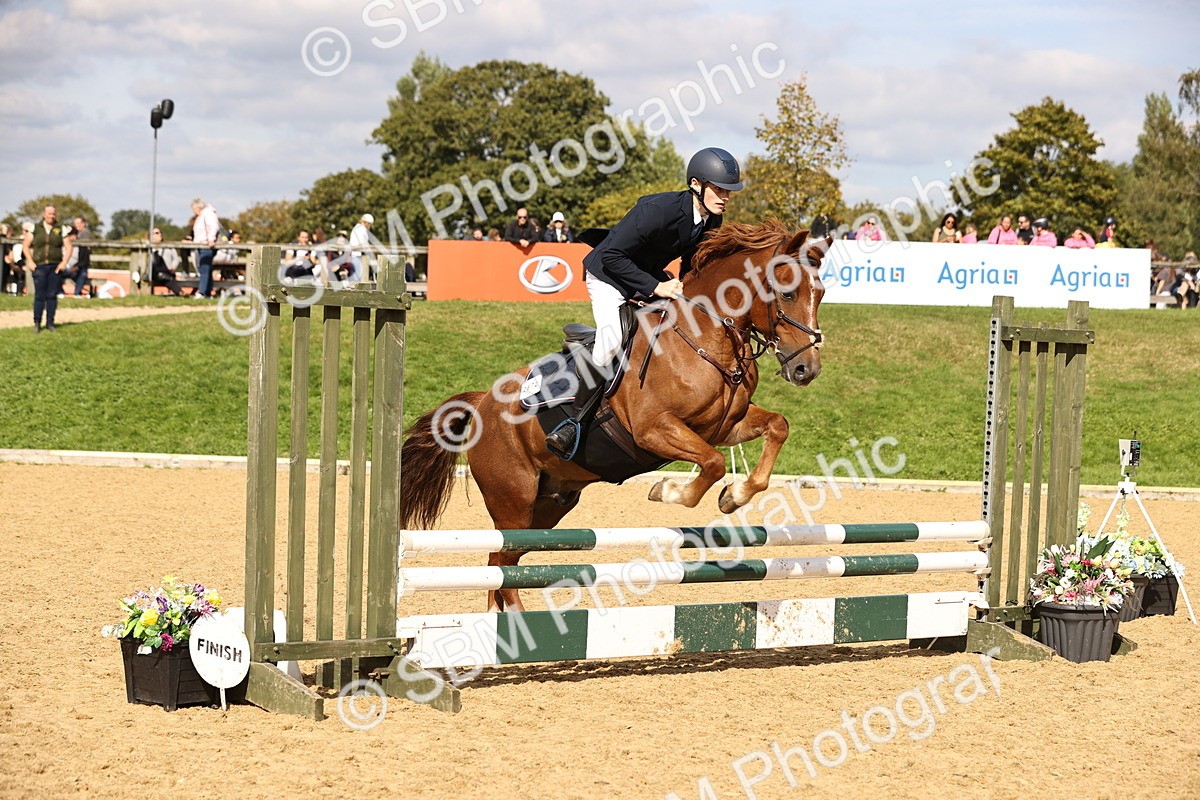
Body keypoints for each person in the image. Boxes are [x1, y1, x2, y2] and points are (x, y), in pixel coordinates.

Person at [544, 146, 743, 459]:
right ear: (696, 185)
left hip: (648, 276)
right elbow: (610, 256)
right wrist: (656, 287)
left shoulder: (710, 220)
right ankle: (572, 422)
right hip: (608, 275)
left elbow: (692, 265)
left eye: (729, 192)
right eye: (719, 189)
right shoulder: (657, 209)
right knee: (611, 342)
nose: (725, 197)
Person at [24, 204, 72, 332]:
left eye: (54, 214)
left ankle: (50, 322)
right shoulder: (35, 228)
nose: (52, 216)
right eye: (49, 214)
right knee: (39, 295)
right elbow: (26, 246)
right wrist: (30, 261)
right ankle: (37, 322)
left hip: (55, 266)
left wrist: (64, 262)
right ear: (44, 214)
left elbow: (69, 247)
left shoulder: (61, 229)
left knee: (52, 295)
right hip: (39, 266)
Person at [190, 197, 220, 298]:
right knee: (206, 268)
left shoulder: (208, 213)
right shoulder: (204, 214)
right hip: (201, 244)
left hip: (206, 245)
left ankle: (201, 291)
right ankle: (208, 291)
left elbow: (213, 226)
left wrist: (211, 239)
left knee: (204, 268)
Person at [62, 216, 92, 296]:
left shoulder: (84, 233)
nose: (77, 225)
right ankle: (61, 293)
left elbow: (86, 249)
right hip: (66, 267)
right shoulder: (79, 233)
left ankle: (77, 293)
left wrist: (76, 266)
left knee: (82, 273)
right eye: (76, 223)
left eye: (79, 223)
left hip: (77, 267)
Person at [150, 228, 184, 296]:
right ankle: (179, 292)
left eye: (160, 232)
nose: (159, 234)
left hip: (169, 272)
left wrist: (173, 267)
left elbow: (176, 259)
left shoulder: (169, 247)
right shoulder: (149, 250)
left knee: (162, 275)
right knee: (160, 273)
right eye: (157, 233)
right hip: (155, 274)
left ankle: (179, 292)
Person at [348, 213, 373, 283]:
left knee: (356, 277)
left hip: (355, 254)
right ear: (367, 223)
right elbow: (364, 243)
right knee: (358, 279)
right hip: (358, 255)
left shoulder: (357, 228)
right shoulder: (361, 229)